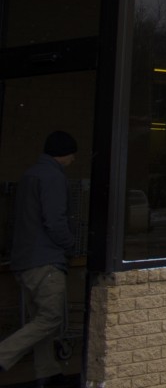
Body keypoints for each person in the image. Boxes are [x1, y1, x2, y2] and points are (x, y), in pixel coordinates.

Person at [0, 130, 80, 387]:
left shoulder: (30, 175)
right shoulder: (53, 178)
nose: (73, 160)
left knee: (41, 321)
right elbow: (55, 221)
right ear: (64, 154)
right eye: (72, 155)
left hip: (24, 261)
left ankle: (48, 372)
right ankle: (3, 356)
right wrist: (72, 245)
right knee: (51, 318)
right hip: (45, 260)